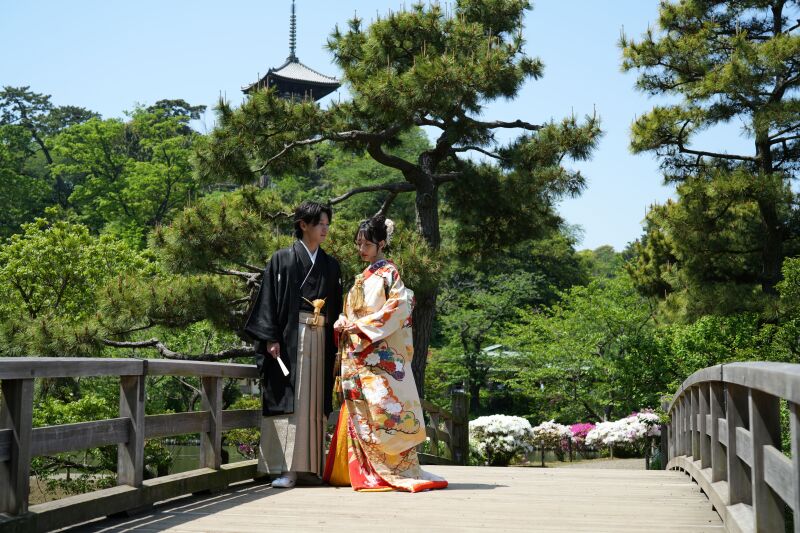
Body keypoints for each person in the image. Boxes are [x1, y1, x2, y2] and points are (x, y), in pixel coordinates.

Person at [323, 215, 447, 492]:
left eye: (367, 244)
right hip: (358, 354)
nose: (361, 249)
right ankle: (359, 469)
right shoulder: (361, 278)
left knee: (383, 411)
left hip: (378, 357)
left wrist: (360, 325)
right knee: (361, 410)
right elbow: (351, 311)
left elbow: (399, 308)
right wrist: (343, 320)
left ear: (381, 244)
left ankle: (386, 468)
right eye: (358, 244)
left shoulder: (390, 275)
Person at [244, 201, 342, 488]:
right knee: (293, 400)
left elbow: (337, 310)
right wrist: (270, 337)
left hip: (321, 340)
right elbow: (268, 301)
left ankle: (311, 467)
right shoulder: (282, 259)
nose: (325, 229)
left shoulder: (331, 265)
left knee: (315, 401)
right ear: (303, 225)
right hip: (289, 339)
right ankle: (286, 469)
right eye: (320, 223)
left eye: (327, 224)